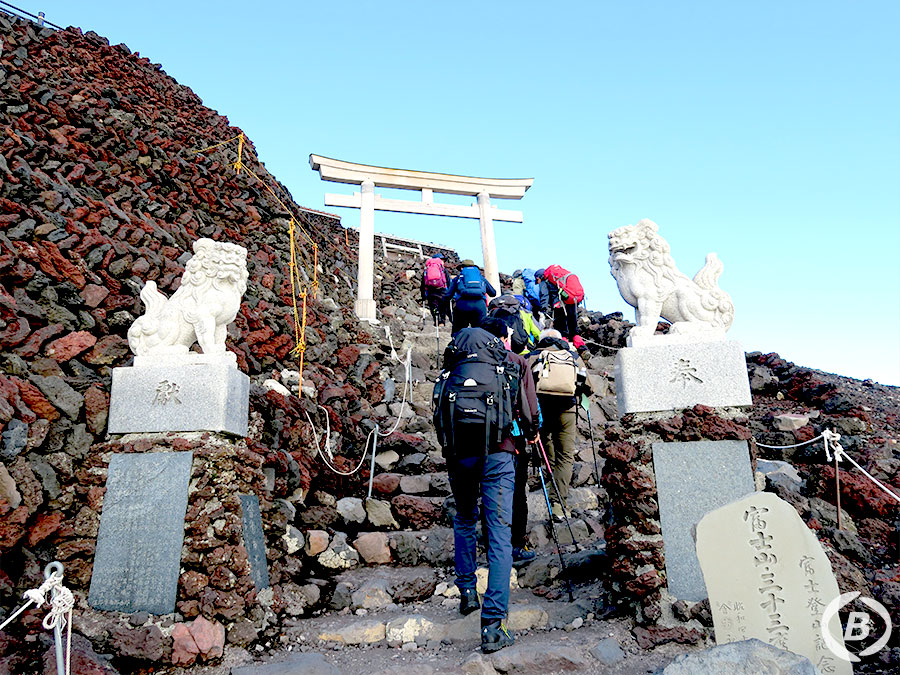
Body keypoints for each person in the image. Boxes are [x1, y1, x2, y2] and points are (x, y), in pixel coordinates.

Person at [433, 319, 539, 653]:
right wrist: (532, 430)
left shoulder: (452, 367)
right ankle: (494, 625)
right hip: (499, 453)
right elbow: (527, 410)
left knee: (464, 517)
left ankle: (466, 591)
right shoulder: (508, 364)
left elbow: (437, 413)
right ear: (498, 339)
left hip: (459, 456)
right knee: (499, 534)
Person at [527, 329, 592, 521]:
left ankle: (550, 482)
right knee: (566, 455)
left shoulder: (533, 356)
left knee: (547, 446)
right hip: (567, 409)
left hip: (541, 409)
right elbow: (588, 385)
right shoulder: (572, 356)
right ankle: (558, 504)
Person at [446, 259, 496, 335]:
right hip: (480, 306)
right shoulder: (481, 278)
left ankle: (457, 345)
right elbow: (493, 293)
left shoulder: (458, 279)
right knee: (480, 331)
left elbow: (448, 295)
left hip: (462, 306)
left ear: (462, 268)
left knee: (458, 331)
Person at [421, 253, 451, 326]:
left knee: (434, 306)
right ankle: (442, 322)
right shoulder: (443, 270)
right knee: (443, 307)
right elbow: (448, 281)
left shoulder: (427, 269)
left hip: (431, 291)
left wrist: (423, 296)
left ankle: (437, 321)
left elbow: (423, 283)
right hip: (442, 290)